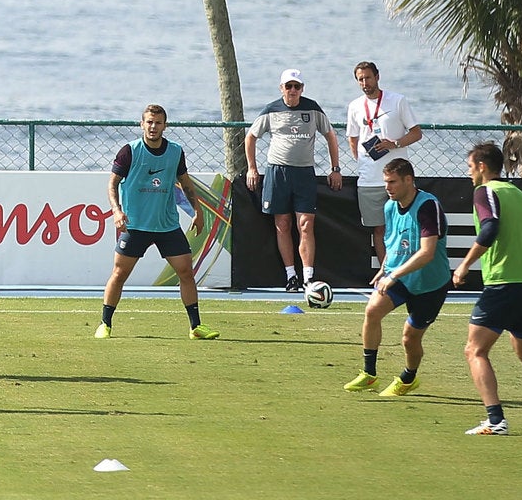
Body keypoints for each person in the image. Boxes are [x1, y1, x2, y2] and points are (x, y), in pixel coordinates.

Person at [454, 141, 522, 435]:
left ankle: (495, 419)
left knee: (474, 350)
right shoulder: (519, 194)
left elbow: (490, 229)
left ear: (482, 166)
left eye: (469, 166)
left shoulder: (484, 191)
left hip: (503, 282)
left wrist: (465, 264)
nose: (468, 173)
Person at [96, 104, 220, 341]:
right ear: (141, 124)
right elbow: (112, 183)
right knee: (119, 274)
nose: (153, 127)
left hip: (167, 225)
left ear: (165, 125)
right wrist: (117, 211)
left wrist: (198, 210)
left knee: (186, 272)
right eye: (149, 122)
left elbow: (185, 182)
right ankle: (105, 323)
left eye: (158, 122)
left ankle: (196, 327)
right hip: (136, 225)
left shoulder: (175, 151)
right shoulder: (129, 151)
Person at [343, 157, 449, 398]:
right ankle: (369, 374)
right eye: (385, 182)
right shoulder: (390, 207)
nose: (387, 188)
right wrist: (385, 268)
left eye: (392, 182)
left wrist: (394, 274)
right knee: (372, 311)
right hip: (400, 277)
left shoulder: (427, 206)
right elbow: (393, 242)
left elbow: (427, 252)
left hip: (430, 284)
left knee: (409, 338)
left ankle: (409, 378)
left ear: (409, 180)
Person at [244, 70, 342, 290]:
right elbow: (250, 137)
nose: (292, 91)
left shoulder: (313, 108)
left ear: (302, 88)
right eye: (288, 86)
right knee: (283, 224)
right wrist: (252, 168)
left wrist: (335, 168)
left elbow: (331, 136)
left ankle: (308, 277)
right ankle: (291, 276)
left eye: (296, 86)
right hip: (278, 172)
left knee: (306, 225)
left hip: (304, 173)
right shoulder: (271, 110)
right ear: (281, 88)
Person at [343, 61, 422, 267]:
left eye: (368, 77)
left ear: (377, 77)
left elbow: (416, 133)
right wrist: (362, 161)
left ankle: (407, 270)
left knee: (404, 227)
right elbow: (352, 138)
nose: (365, 82)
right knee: (379, 230)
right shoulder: (355, 106)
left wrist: (394, 144)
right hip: (369, 181)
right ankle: (387, 272)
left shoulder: (397, 101)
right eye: (360, 79)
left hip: (398, 178)